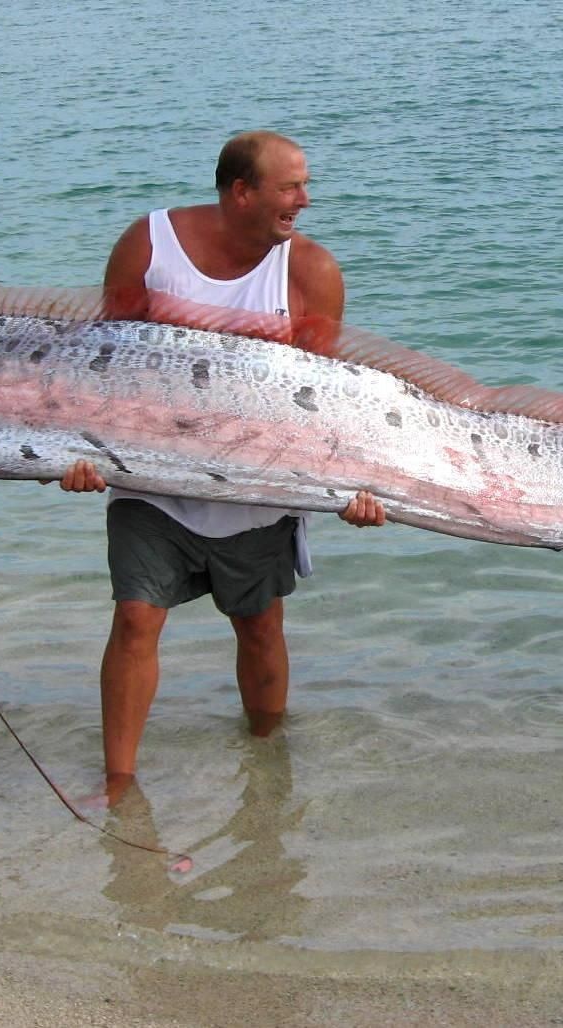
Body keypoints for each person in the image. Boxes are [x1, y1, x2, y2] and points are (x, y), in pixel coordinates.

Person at [60, 131, 388, 790]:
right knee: (134, 617)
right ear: (241, 192)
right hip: (150, 483)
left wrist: (357, 487)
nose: (305, 199)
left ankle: (268, 770)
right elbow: (102, 367)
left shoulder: (311, 273)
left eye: (304, 184)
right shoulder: (148, 246)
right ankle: (117, 783)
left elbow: (324, 401)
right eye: (290, 187)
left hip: (257, 491)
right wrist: (80, 452)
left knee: (260, 628)